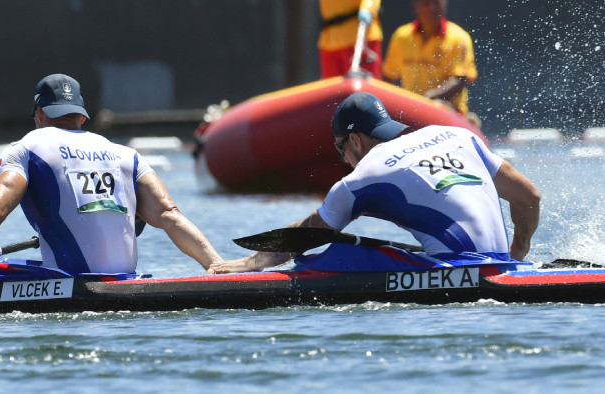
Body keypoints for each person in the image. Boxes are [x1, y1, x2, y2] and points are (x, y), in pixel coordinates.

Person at [0, 74, 223, 282]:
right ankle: (219, 267)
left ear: (39, 114)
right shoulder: (127, 155)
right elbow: (169, 216)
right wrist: (214, 264)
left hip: (70, 285)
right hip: (128, 284)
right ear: (83, 116)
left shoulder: (28, 147)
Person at [208, 92, 540, 274]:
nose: (342, 160)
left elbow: (309, 232)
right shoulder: (458, 135)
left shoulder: (363, 177)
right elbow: (529, 197)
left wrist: (250, 263)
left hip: (457, 272)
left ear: (354, 140)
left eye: (341, 148)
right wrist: (516, 257)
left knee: (334, 255)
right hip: (502, 263)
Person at [382, 0, 478, 119]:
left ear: (445, 3)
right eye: (426, 2)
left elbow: (460, 80)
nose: (431, 7)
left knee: (438, 106)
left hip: (449, 111)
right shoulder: (401, 36)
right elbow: (389, 77)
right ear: (415, 4)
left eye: (436, 2)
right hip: (409, 110)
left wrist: (427, 99)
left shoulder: (459, 38)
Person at [318, 0, 383, 79]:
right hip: (330, 41)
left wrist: (367, 8)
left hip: (361, 37)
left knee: (367, 89)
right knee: (331, 90)